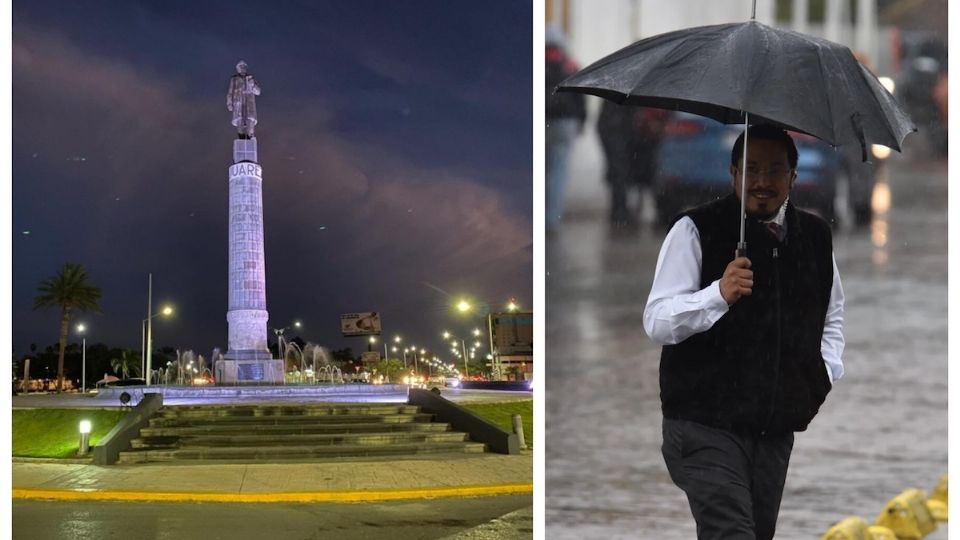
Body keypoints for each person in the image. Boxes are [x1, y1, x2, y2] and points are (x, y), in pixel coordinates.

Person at [642, 124, 845, 539]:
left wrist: (820, 376)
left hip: (774, 427)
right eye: (750, 170)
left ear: (793, 176)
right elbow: (658, 321)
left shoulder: (815, 236)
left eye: (774, 171)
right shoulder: (695, 230)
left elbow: (832, 316)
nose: (762, 182)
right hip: (702, 423)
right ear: (733, 173)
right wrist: (717, 294)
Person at [597, 102, 669, 228]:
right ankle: (620, 212)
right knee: (620, 171)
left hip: (618, 129)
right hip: (618, 130)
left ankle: (621, 211)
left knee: (621, 171)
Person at [545, 25, 585, 231]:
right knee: (558, 172)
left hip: (545, 122)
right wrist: (581, 122)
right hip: (566, 122)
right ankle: (552, 218)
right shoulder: (569, 65)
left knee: (542, 171)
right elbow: (580, 97)